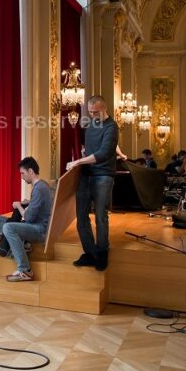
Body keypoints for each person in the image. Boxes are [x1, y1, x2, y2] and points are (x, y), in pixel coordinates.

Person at [66, 95, 119, 272]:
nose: (92, 115)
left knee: (100, 215)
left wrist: (78, 162)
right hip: (86, 175)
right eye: (90, 112)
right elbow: (90, 148)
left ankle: (102, 252)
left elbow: (104, 153)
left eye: (95, 112)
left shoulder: (111, 127)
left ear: (104, 109)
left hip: (103, 174)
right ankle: (90, 253)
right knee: (81, 217)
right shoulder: (90, 125)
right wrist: (81, 155)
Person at [0, 157, 53, 282]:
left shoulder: (39, 189)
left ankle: (25, 270)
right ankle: (23, 243)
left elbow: (28, 218)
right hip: (35, 225)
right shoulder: (43, 185)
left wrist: (18, 205)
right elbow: (39, 204)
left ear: (31, 171)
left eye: (22, 173)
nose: (22, 177)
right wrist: (27, 202)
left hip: (39, 229)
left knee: (8, 227)